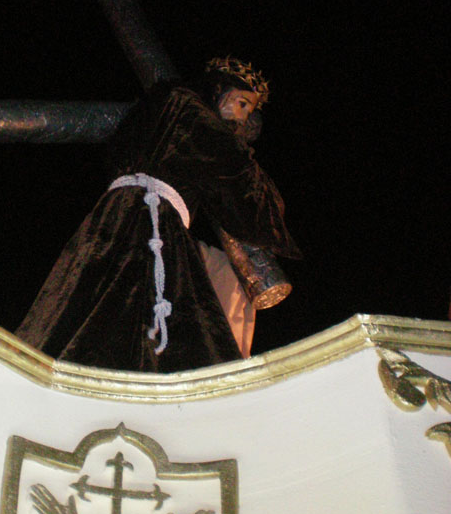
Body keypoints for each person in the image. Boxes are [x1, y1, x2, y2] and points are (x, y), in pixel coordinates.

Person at [16, 57, 300, 372]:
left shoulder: (164, 104)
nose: (243, 117)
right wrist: (241, 151)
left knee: (81, 302)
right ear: (218, 89)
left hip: (110, 217)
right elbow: (247, 195)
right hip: (155, 224)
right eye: (242, 103)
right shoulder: (197, 118)